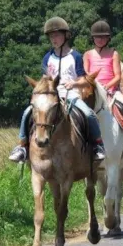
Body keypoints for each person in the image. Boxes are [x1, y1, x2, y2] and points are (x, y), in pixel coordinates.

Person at [8, 17, 106, 163]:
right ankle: (22, 146)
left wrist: (73, 84)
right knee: (27, 112)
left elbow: (83, 80)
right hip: (51, 96)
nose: (54, 39)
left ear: (66, 36)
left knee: (88, 114)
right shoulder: (47, 57)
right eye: (51, 36)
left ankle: (97, 145)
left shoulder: (76, 56)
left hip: (71, 95)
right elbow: (45, 78)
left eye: (57, 35)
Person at [84, 20, 123, 152]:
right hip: (93, 90)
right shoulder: (87, 55)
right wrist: (96, 86)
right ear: (93, 38)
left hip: (110, 90)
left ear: (108, 38)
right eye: (97, 37)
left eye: (103, 37)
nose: (100, 40)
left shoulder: (114, 53)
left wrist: (106, 86)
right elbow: (87, 75)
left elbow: (117, 76)